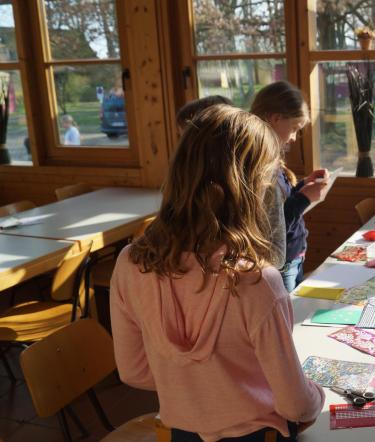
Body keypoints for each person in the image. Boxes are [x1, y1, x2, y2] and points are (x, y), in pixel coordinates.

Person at [110, 104, 324, 442]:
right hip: (257, 434)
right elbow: (297, 407)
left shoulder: (129, 262)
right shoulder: (256, 281)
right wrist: (318, 394)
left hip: (182, 429)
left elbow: (134, 371)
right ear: (254, 189)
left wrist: (195, 390)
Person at [175, 95, 287, 269]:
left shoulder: (264, 184)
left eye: (194, 140)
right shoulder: (186, 185)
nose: (190, 153)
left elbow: (276, 256)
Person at [250, 81, 328, 292]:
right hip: (281, 265)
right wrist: (304, 198)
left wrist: (304, 185)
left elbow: (279, 201)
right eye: (294, 129)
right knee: (288, 321)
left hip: (294, 257)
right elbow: (275, 223)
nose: (294, 138)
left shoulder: (271, 161)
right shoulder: (260, 167)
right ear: (275, 119)